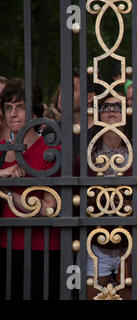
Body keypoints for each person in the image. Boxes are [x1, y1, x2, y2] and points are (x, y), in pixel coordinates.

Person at [73, 94, 137, 300]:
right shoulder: (85, 158)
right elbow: (77, 202)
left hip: (130, 245)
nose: (112, 110)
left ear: (127, 114)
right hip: (94, 245)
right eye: (106, 107)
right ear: (97, 115)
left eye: (118, 106)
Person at [0, 78, 61, 300]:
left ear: (34, 111)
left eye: (20, 107)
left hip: (43, 248)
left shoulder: (50, 151)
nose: (13, 114)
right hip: (5, 245)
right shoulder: (1, 149)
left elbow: (48, 209)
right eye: (8, 107)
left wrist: (6, 192)